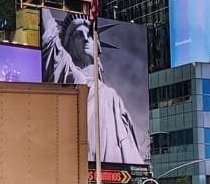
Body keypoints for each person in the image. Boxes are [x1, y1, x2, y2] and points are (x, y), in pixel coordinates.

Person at [42, 8, 145, 164]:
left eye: (89, 35)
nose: (85, 39)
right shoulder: (71, 75)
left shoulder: (112, 96)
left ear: (97, 45)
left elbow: (129, 147)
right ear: (68, 44)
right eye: (78, 35)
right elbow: (50, 42)